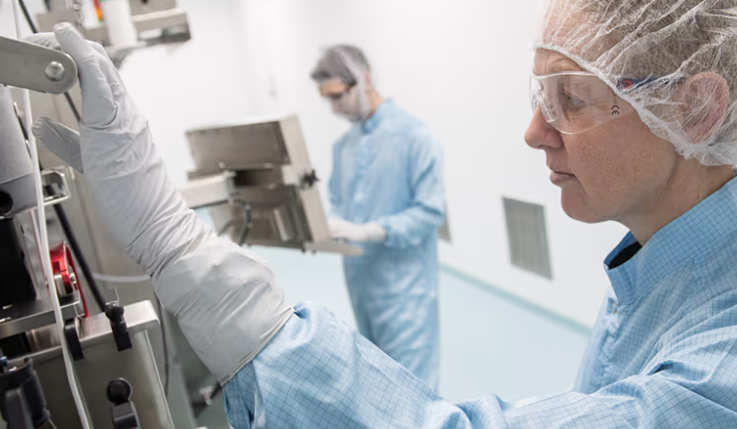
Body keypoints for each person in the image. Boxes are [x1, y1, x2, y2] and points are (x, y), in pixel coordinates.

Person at [31, 0, 737, 424]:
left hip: (402, 285)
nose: (531, 132)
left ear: (694, 109)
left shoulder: (719, 373)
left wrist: (176, 247)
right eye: (537, 96)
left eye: (570, 100)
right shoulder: (659, 269)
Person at [309, 45, 445, 389]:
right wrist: (326, 227)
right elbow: (339, 204)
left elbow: (430, 213)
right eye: (328, 99)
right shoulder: (344, 146)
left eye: (339, 95)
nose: (335, 107)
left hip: (406, 293)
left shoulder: (415, 136)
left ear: (365, 79)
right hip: (362, 288)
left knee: (415, 394)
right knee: (380, 389)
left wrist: (373, 230)